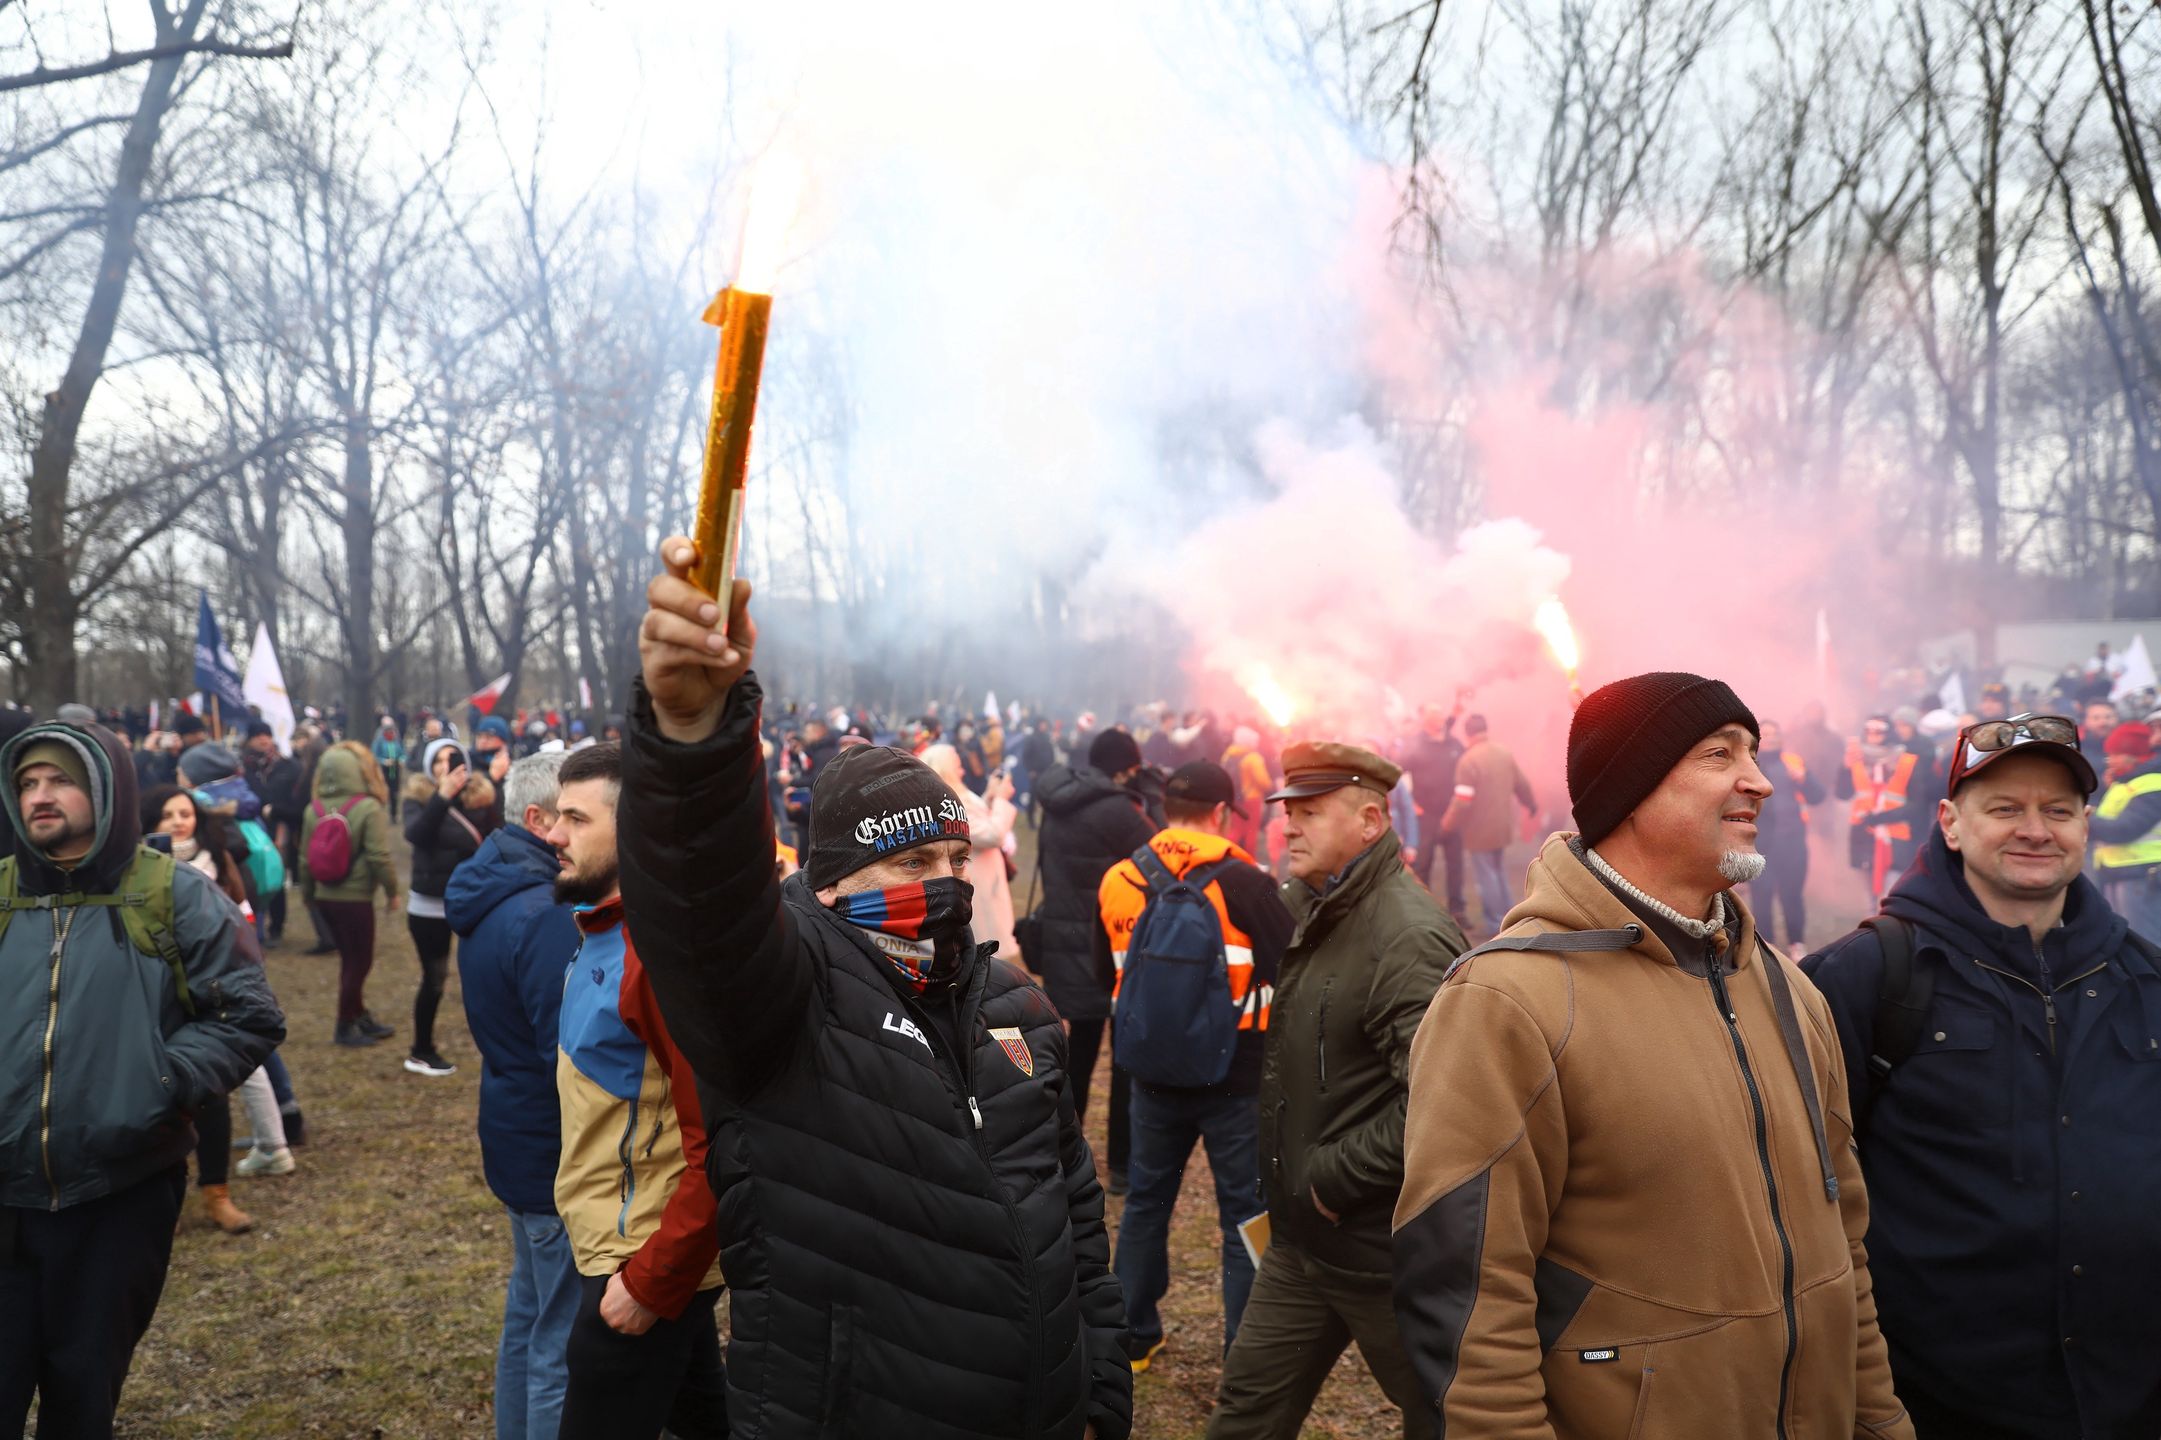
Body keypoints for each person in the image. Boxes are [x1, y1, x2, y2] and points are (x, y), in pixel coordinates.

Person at [620, 539, 1132, 1439]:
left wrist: (1097, 1391)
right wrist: (695, 742)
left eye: (950, 858)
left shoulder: (1019, 1008)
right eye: (905, 862)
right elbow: (704, 907)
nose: (941, 882)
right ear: (830, 883)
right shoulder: (783, 1004)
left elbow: (1076, 1218)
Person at [1394, 672, 1911, 1437]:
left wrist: (1878, 1421)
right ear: (1629, 790)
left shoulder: (1789, 992)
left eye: (1753, 752)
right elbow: (1466, 1298)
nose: (1759, 781)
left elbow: (1846, 1252)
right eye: (1718, 753)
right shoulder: (1506, 1002)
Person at [1804, 713, 2160, 1438]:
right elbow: (1802, 1197)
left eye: (2056, 810)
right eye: (2003, 808)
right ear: (1949, 823)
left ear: (2084, 825)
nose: (2035, 829)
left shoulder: (2144, 978)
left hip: (2125, 1398)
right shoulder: (1867, 979)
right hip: (1938, 1402)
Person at [0, 721, 283, 1435]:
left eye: (59, 779)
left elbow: (247, 1017)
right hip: (3, 1191)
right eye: (28, 782)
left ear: (106, 788)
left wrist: (155, 1081)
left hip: (117, 1195)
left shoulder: (175, 895)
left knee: (80, 1396)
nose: (40, 796)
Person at [1206, 741, 1462, 1439]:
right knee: (1245, 1412)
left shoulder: (1406, 937)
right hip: (1299, 1242)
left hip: (1379, 1252)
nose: (1287, 826)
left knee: (1446, 1418)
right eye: (1288, 811)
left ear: (1371, 822)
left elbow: (1444, 1101)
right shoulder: (1316, 908)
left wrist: (1333, 1176)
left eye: (1310, 813)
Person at [541, 743, 727, 1440]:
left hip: (641, 1265)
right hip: (627, 1253)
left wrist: (651, 1281)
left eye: (575, 819)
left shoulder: (659, 958)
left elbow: (722, 1141)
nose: (554, 835)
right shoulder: (600, 930)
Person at [1098, 761, 1291, 1374]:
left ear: (1162, 807)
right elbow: (1292, 967)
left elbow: (1113, 977)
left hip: (1150, 1069)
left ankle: (1133, 1337)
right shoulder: (1248, 880)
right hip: (1237, 1073)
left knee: (1147, 1200)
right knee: (1245, 1214)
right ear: (1221, 814)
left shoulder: (1118, 879)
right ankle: (1247, 1351)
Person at [447, 751, 584, 1440]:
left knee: (529, 1316)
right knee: (559, 1339)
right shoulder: (543, 912)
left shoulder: (496, 889)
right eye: (573, 813)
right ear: (538, 818)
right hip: (550, 1147)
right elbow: (567, 1053)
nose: (576, 832)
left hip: (514, 1131)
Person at [142, 785, 296, 1230]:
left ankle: (216, 1191)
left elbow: (243, 921)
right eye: (167, 813)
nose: (177, 821)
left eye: (185, 812)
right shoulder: (138, 871)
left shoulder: (218, 860)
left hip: (211, 993)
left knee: (212, 1095)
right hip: (157, 995)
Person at [1034, 727, 1159, 1191]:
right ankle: (1123, 1167)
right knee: (1125, 1062)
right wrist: (1153, 802)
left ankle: (1064, 1159)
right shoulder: (1117, 810)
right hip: (1116, 947)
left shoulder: (1057, 802)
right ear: (1126, 768)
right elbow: (1162, 860)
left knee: (1074, 1062)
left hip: (1065, 944)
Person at [402, 738, 497, 1077]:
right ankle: (421, 1050)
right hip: (429, 906)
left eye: (452, 759)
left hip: (474, 902)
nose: (446, 766)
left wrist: (496, 783)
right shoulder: (417, 798)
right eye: (438, 760)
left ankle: (497, 1041)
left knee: (487, 973)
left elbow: (495, 837)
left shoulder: (479, 796)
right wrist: (441, 796)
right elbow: (417, 835)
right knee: (435, 978)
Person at [298, 742, 403, 1046]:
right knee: (359, 961)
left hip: (325, 896)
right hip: (355, 897)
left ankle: (358, 1013)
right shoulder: (368, 807)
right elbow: (378, 855)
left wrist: (308, 895)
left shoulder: (312, 809)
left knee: (349, 958)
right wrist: (392, 891)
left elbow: (304, 858)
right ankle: (345, 1023)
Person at [1438, 713, 1537, 935]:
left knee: (1487, 875)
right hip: (1502, 825)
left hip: (1479, 829)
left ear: (1468, 733)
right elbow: (1521, 783)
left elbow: (1462, 801)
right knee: (1498, 870)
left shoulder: (1468, 759)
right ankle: (1510, 918)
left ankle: (1496, 923)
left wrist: (1446, 826)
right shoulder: (1504, 753)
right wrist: (1530, 803)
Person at [923, 742, 1021, 959]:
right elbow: (990, 834)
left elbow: (977, 821)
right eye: (957, 766)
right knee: (987, 951)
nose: (963, 770)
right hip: (979, 886)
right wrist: (1002, 799)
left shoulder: (956, 798)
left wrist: (990, 795)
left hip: (985, 881)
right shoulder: (947, 804)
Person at [1753, 718, 1825, 953]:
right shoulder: (1749, 764)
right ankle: (1766, 947)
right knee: (1762, 895)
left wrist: (1803, 778)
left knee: (1792, 894)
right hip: (1760, 841)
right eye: (1766, 734)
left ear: (1781, 737)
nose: (1771, 737)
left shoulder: (1793, 762)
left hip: (1792, 841)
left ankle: (1797, 944)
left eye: (1775, 733)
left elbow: (1818, 796)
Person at [2091, 722, 2161, 945]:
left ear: (2133, 756)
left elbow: (2125, 828)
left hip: (2142, 874)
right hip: (2120, 872)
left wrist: (2086, 819)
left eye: (2115, 754)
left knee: (2145, 942)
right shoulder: (2126, 782)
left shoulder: (2151, 784)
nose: (2109, 761)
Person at [1840, 712, 1920, 902]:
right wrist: (1844, 768)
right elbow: (1842, 794)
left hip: (1895, 835)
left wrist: (1880, 818)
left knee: (1890, 896)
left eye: (1879, 731)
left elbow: (1917, 804)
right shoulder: (1855, 757)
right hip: (1863, 833)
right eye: (1869, 730)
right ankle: (1871, 929)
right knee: (1869, 899)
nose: (1873, 734)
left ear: (1889, 733)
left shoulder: (1904, 760)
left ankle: (1888, 929)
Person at [1401, 702, 1467, 926]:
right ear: (1426, 720)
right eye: (1436, 715)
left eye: (1441, 714)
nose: (1441, 719)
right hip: (1426, 815)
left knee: (1456, 864)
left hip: (1451, 813)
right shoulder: (1415, 745)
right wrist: (1410, 803)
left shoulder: (1453, 743)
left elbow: (1467, 767)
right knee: (1423, 864)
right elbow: (1398, 776)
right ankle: (1423, 909)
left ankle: (1457, 910)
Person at [1220, 726, 1274, 867]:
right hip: (1251, 799)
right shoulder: (1253, 757)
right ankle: (1250, 862)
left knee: (1235, 829)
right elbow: (1263, 781)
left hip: (1234, 798)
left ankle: (1226, 857)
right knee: (1251, 832)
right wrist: (1271, 786)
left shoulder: (1228, 754)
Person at [373, 718, 407, 820]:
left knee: (394, 792)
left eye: (391, 729)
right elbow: (374, 756)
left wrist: (401, 759)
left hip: (395, 770)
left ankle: (394, 814)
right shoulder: (379, 741)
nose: (390, 731)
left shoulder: (396, 740)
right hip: (383, 770)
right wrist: (384, 761)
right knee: (383, 791)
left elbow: (403, 753)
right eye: (387, 729)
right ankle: (380, 814)